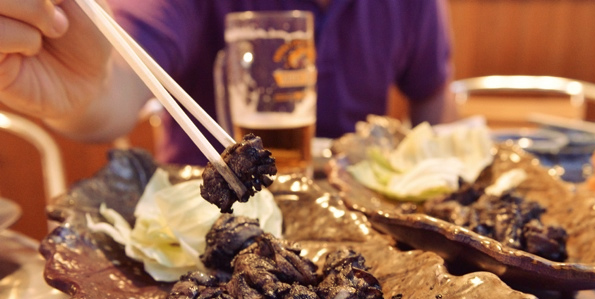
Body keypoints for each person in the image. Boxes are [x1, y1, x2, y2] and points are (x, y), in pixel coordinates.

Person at [0, 0, 455, 165]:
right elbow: (110, 91)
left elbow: (433, 101)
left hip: (353, 223)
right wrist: (80, 93)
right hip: (208, 223)